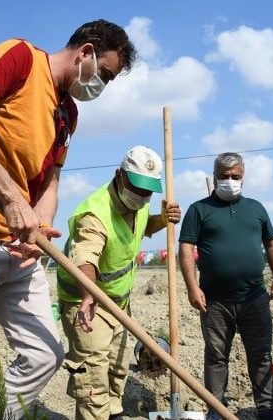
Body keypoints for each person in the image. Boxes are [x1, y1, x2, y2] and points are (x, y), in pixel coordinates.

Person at [0, 20, 135, 418]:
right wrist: (12, 197)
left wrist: (38, 229)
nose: (102, 87)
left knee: (45, 354)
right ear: (85, 52)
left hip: (13, 248)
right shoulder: (20, 58)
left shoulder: (67, 113)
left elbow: (49, 182)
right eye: (104, 75)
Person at [57, 146, 181, 420]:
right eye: (136, 188)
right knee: (93, 381)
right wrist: (89, 294)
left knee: (117, 368)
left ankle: (113, 414)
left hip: (120, 306)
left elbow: (140, 227)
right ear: (119, 175)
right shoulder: (95, 213)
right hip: (88, 304)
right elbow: (86, 257)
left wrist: (163, 220)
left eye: (147, 191)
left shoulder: (135, 204)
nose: (141, 196)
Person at [178, 152, 273, 420]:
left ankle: (267, 408)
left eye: (235, 176)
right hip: (214, 301)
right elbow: (186, 248)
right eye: (224, 176)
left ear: (243, 177)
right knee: (216, 357)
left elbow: (272, 243)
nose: (229, 181)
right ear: (214, 177)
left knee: (261, 354)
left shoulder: (256, 208)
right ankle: (216, 409)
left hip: (254, 297)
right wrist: (193, 287)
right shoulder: (199, 209)